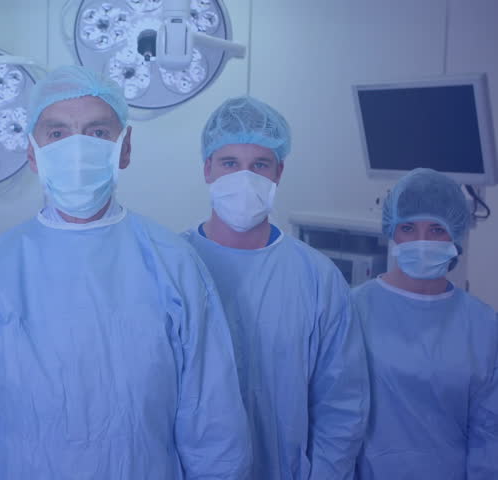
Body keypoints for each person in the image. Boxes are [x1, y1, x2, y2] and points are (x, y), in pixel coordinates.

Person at [0, 65, 251, 480]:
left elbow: (213, 424)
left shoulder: (174, 264)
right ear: (32, 151)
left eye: (97, 133)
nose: (77, 150)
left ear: (125, 147)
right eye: (58, 134)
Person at [181, 96, 369, 479]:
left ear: (278, 172)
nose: (244, 178)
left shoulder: (316, 276)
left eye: (260, 165)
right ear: (207, 169)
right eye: (230, 163)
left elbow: (341, 402)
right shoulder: (173, 265)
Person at [352, 168, 498, 480]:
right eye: (408, 228)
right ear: (391, 231)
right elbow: (332, 417)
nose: (421, 241)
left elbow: (490, 431)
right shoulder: (352, 310)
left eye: (435, 230)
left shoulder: (484, 326)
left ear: (456, 234)